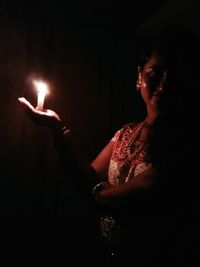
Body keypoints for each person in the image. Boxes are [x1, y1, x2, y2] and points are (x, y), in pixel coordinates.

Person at [17, 27, 191, 266]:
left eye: (174, 76)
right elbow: (87, 177)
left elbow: (137, 193)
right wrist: (57, 129)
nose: (164, 84)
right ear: (139, 75)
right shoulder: (125, 133)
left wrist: (97, 193)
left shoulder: (186, 143)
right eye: (156, 73)